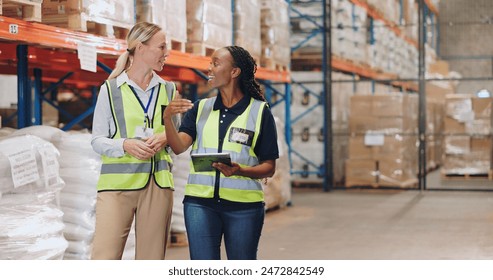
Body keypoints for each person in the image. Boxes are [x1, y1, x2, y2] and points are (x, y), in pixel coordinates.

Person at [163, 46, 279, 260]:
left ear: (234, 72)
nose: (209, 68)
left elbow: (269, 167)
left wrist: (240, 170)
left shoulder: (259, 112)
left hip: (243, 207)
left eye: (216, 63)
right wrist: (167, 119)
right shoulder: (201, 108)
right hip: (199, 203)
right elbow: (179, 146)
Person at [91, 22, 179, 260]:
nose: (166, 52)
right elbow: (97, 140)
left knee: (151, 261)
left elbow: (179, 139)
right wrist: (125, 144)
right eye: (161, 47)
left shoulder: (169, 90)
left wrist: (165, 137)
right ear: (141, 48)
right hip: (117, 186)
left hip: (157, 185)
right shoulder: (110, 90)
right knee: (104, 258)